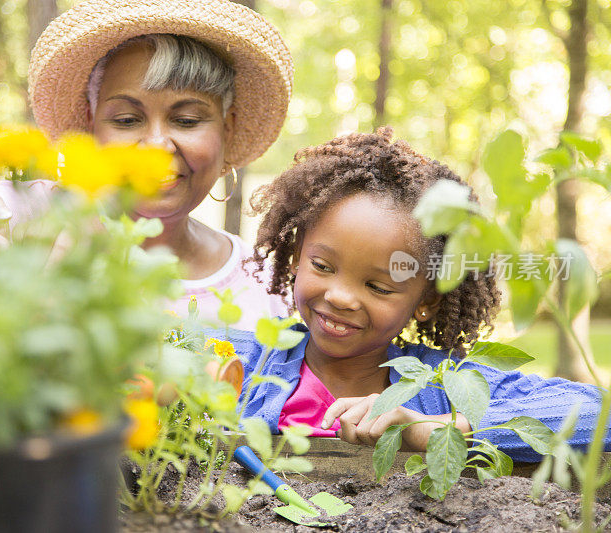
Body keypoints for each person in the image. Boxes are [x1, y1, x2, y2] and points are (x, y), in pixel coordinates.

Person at [0, 0, 294, 329]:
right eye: (126, 119)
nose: (155, 145)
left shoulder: (264, 284)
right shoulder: (31, 216)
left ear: (227, 129)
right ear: (91, 124)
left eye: (187, 119)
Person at [214, 128, 608, 463]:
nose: (340, 296)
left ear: (426, 301)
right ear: (297, 254)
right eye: (322, 266)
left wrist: (438, 430)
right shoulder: (243, 364)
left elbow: (599, 415)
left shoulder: (447, 385)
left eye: (378, 287)